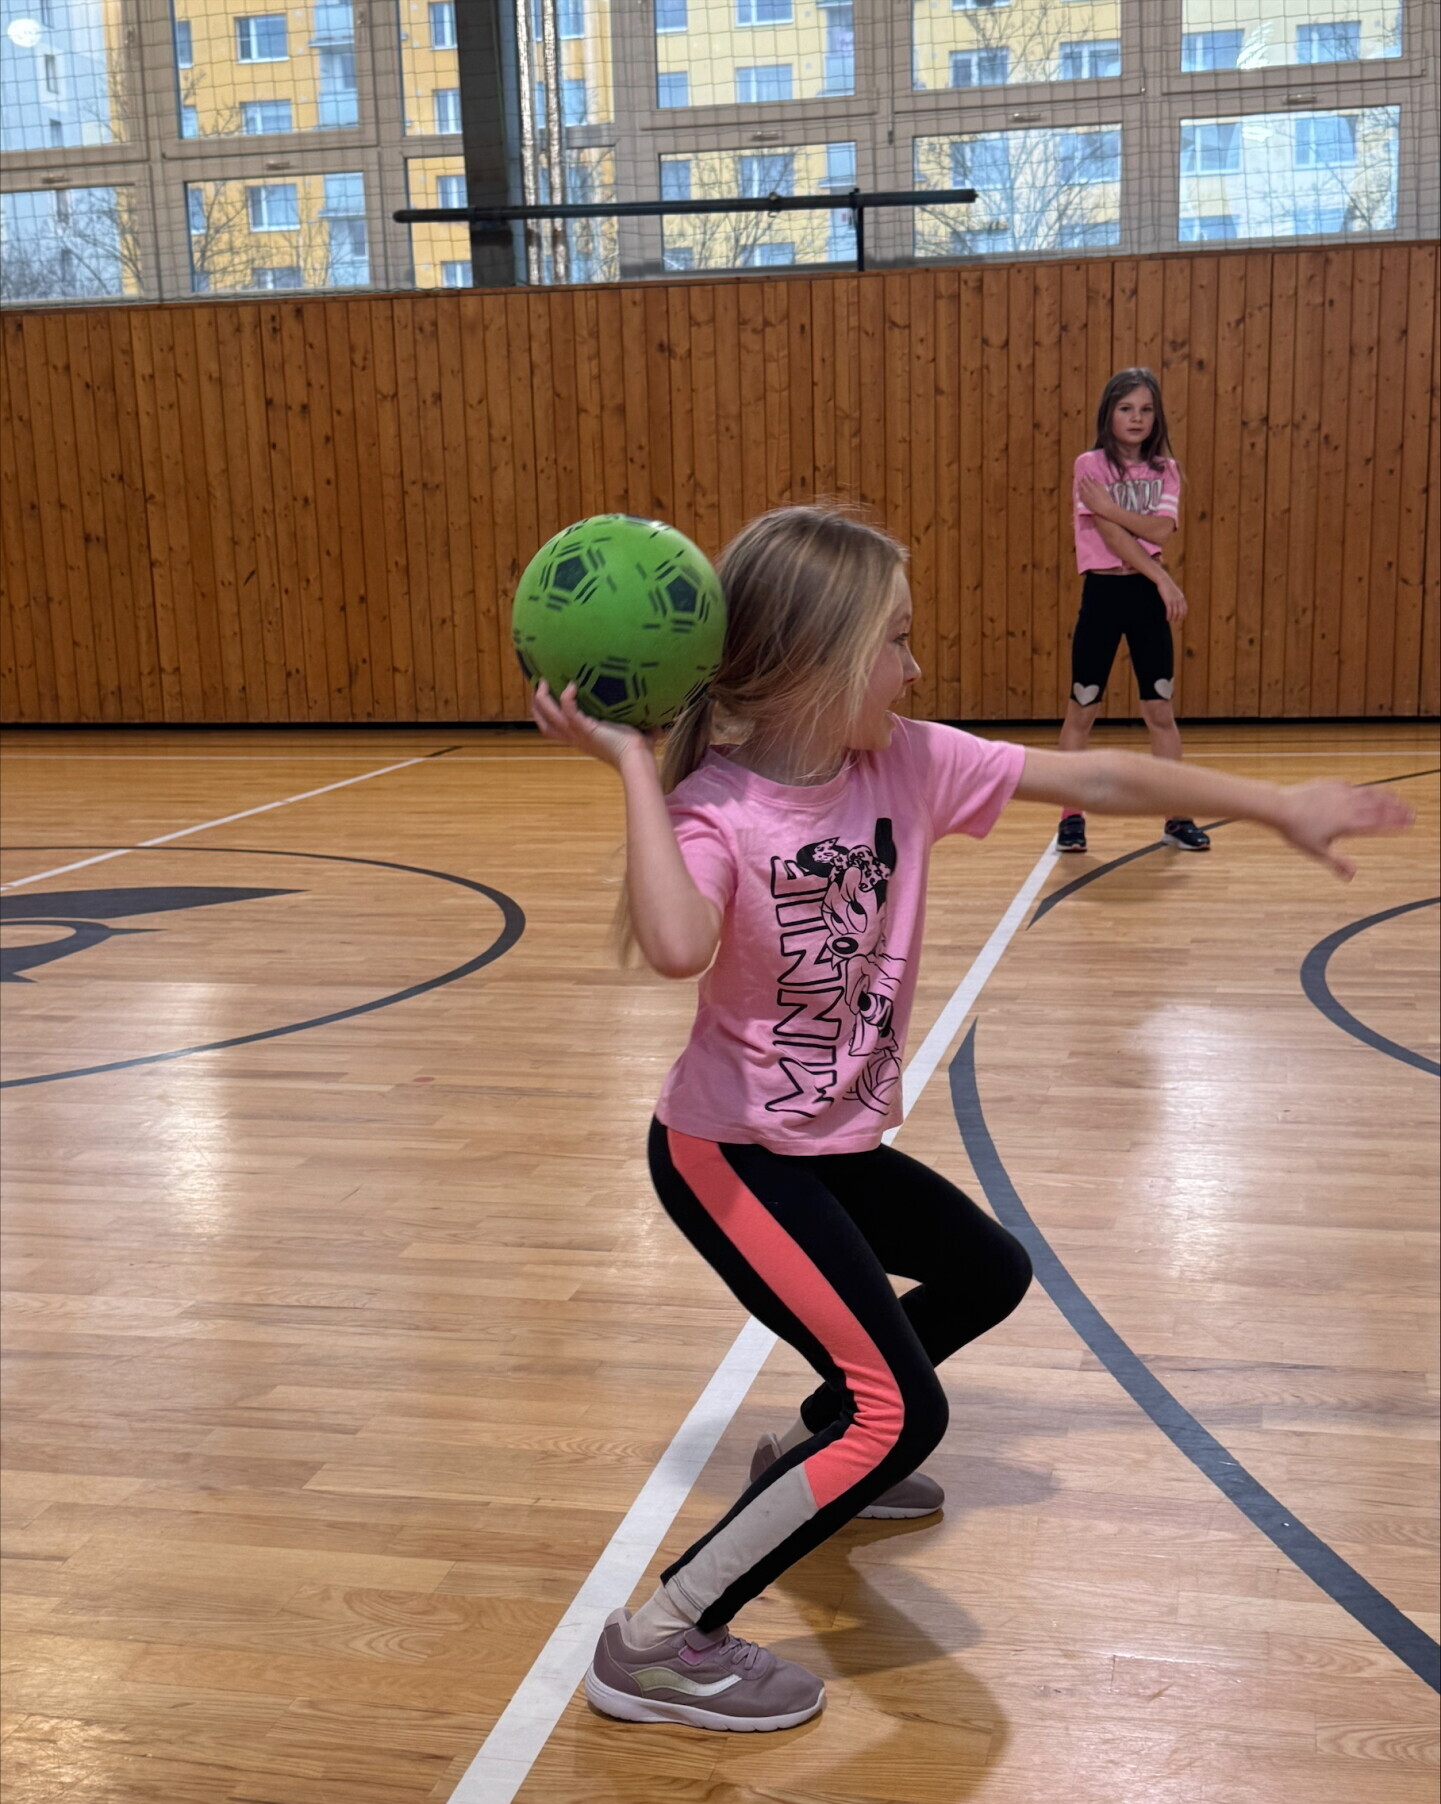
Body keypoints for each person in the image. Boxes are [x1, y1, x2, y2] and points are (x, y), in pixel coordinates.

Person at [531, 504, 1409, 1734]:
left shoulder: (905, 762)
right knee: (901, 1411)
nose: (914, 666)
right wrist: (633, 766)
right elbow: (677, 945)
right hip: (729, 1158)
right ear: (818, 664)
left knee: (986, 1272)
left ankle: (813, 1453)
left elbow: (1096, 775)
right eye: (894, 641)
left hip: (830, 1147)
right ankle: (663, 1639)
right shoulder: (718, 812)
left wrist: (1271, 803)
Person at [1057, 367, 1204, 855]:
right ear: (1109, 414)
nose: (1136, 418)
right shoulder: (1090, 465)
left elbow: (1161, 532)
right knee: (1083, 706)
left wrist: (1109, 508)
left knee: (1159, 707)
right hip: (1103, 594)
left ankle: (1176, 815)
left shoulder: (1166, 470)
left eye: (1145, 409)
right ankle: (1071, 816)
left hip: (1145, 599)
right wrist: (1163, 576)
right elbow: (1112, 536)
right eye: (1126, 408)